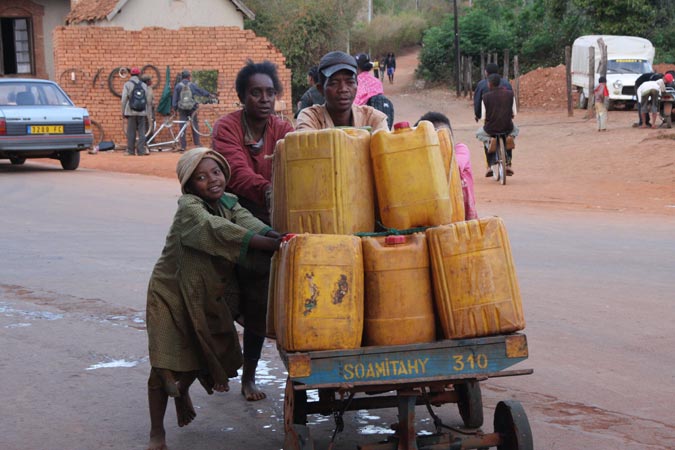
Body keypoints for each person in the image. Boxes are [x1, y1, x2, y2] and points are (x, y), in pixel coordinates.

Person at [145, 147, 282, 450]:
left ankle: (181, 392)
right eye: (201, 177)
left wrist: (279, 237)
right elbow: (220, 230)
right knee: (164, 364)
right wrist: (266, 243)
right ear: (190, 186)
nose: (212, 180)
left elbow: (248, 222)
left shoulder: (228, 203)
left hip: (203, 294)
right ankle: (157, 433)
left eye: (216, 172)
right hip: (170, 295)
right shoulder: (189, 210)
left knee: (199, 351)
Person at [211, 60, 293, 401]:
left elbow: (297, 163)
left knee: (272, 299)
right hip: (235, 216)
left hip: (275, 219)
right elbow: (236, 174)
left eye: (270, 92)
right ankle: (230, 371)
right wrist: (272, 190)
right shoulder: (227, 128)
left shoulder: (283, 129)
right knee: (229, 298)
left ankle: (258, 373)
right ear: (242, 96)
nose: (264, 98)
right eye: (255, 92)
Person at [296, 51, 388, 132]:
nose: (343, 89)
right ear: (321, 89)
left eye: (350, 82)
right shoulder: (310, 119)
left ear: (357, 85)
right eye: (334, 83)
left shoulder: (372, 118)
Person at [418, 112, 477, 220]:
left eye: (444, 135)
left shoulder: (460, 150)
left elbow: (454, 167)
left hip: (467, 219)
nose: (442, 140)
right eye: (435, 136)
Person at [476, 73, 519, 177]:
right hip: (507, 127)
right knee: (515, 130)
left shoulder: (485, 97)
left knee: (479, 134)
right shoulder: (510, 94)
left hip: (491, 128)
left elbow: (483, 117)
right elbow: (514, 113)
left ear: (489, 84)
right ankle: (508, 163)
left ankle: (490, 146)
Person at [172, 70, 214, 152]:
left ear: (182, 77)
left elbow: (175, 98)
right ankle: (197, 143)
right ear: (188, 77)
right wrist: (209, 94)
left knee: (182, 127)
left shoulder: (178, 86)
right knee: (194, 125)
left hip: (182, 109)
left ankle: (183, 146)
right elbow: (200, 91)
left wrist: (174, 108)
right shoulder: (192, 85)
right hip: (192, 108)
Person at [354, 53, 394, 129]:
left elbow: (355, 104)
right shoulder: (376, 81)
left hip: (366, 124)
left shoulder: (357, 81)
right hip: (381, 121)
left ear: (357, 68)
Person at [121, 66, 149, 156]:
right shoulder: (144, 85)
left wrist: (123, 111)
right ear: (139, 74)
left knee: (131, 132)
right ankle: (141, 151)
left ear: (131, 74)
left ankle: (131, 151)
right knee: (142, 132)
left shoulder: (127, 84)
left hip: (131, 111)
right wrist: (147, 112)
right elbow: (147, 100)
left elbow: (124, 99)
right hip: (142, 112)